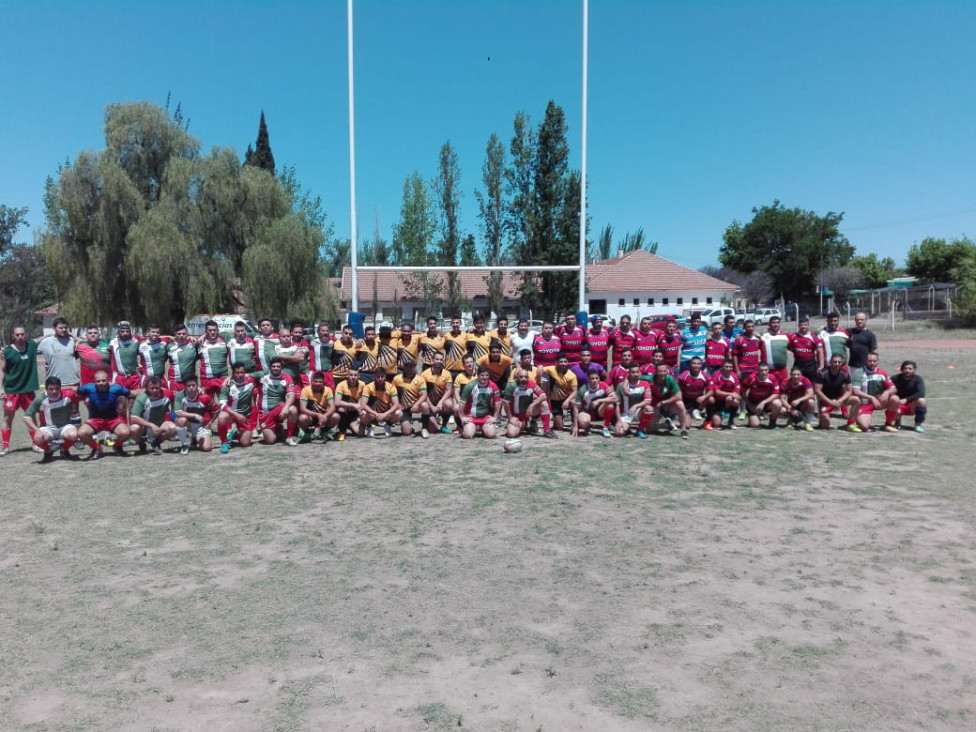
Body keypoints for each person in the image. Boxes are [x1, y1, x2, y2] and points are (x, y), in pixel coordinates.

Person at [23, 376, 83, 462]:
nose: (54, 391)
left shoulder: (68, 395)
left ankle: (64, 450)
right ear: (46, 389)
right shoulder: (40, 399)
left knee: (74, 435)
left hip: (65, 426)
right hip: (48, 428)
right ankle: (48, 451)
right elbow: (26, 416)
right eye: (51, 389)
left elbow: (78, 403)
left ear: (60, 388)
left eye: (57, 388)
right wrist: (36, 430)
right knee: (37, 439)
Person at [1, 325, 40, 456]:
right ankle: (5, 447)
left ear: (26, 335)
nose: (20, 337)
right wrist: (0, 388)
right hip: (12, 390)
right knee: (7, 419)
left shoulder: (31, 346)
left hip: (28, 390)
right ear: (13, 336)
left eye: (22, 334)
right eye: (17, 334)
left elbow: (44, 338)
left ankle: (36, 444)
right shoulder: (6, 351)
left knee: (31, 418)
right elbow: (2, 370)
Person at [76, 369, 132, 459]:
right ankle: (96, 448)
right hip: (95, 420)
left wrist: (147, 391)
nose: (101, 383)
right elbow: (76, 391)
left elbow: (131, 393)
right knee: (81, 433)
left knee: (126, 432)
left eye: (103, 380)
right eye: (98, 381)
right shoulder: (88, 388)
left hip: (112, 420)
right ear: (94, 381)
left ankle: (117, 446)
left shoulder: (116, 388)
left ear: (108, 380)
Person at [635, 363, 688, 439]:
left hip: (667, 405)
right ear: (655, 372)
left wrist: (663, 402)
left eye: (664, 371)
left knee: (680, 404)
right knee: (649, 430)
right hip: (655, 406)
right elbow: (632, 377)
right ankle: (666, 424)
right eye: (660, 371)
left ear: (667, 371)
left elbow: (679, 396)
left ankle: (683, 430)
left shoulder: (670, 379)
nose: (662, 373)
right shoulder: (650, 378)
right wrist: (625, 385)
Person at [255, 357, 299, 445]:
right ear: (270, 367)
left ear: (281, 367)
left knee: (293, 409)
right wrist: (229, 378)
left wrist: (286, 407)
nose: (276, 368)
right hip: (265, 413)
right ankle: (278, 428)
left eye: (278, 366)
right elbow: (244, 376)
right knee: (270, 441)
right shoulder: (262, 376)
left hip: (279, 410)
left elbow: (291, 394)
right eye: (274, 366)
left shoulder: (287, 378)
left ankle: (289, 437)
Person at [128, 376, 178, 454]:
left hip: (161, 424)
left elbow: (175, 397)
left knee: (173, 427)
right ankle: (141, 444)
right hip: (145, 427)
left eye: (157, 388)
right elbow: (134, 417)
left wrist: (173, 411)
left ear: (161, 387)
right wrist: (151, 425)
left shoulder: (167, 394)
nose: (154, 390)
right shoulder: (142, 398)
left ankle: (156, 443)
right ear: (147, 388)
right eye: (152, 388)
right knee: (133, 429)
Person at [216, 362, 258, 453]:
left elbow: (266, 372)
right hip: (232, 414)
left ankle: (234, 434)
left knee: (245, 443)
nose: (240, 375)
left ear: (245, 372)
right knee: (222, 417)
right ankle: (224, 443)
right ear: (233, 373)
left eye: (242, 372)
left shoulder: (251, 380)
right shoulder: (227, 385)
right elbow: (222, 404)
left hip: (245, 416)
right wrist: (236, 415)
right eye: (237, 373)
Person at [812, 354, 861, 431]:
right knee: (825, 425)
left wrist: (840, 401)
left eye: (839, 362)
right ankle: (822, 418)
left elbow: (849, 390)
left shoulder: (845, 373)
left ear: (842, 363)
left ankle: (851, 424)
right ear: (830, 362)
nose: (837, 364)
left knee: (856, 400)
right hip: (825, 401)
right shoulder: (822, 373)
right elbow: (817, 391)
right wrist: (830, 402)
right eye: (835, 362)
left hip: (839, 399)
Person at [503, 367, 555, 438]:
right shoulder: (512, 386)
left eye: (526, 377)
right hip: (516, 415)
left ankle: (546, 430)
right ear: (517, 377)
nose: (524, 379)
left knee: (544, 404)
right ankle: (523, 424)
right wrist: (510, 418)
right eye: (521, 377)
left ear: (528, 377)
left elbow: (543, 396)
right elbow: (505, 403)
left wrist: (531, 406)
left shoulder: (531, 383)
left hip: (528, 412)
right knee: (511, 434)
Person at [851, 352, 896, 432]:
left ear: (877, 361)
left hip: (879, 401)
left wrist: (887, 392)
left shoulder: (882, 373)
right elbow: (855, 391)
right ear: (865, 361)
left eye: (874, 361)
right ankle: (857, 418)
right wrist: (871, 398)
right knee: (864, 427)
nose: (872, 363)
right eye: (870, 361)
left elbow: (894, 388)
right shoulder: (859, 373)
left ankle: (888, 424)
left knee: (895, 399)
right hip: (865, 404)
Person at [173, 375, 216, 454]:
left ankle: (195, 438)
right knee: (182, 420)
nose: (191, 387)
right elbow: (177, 412)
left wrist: (209, 423)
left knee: (207, 448)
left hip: (199, 427)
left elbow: (217, 410)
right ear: (185, 387)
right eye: (188, 386)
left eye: (193, 385)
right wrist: (195, 416)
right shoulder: (180, 395)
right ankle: (184, 446)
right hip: (187, 424)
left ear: (197, 385)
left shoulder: (204, 397)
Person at [37, 316, 80, 390]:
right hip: (54, 383)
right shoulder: (46, 342)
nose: (63, 330)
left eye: (65, 327)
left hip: (73, 382)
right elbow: (29, 350)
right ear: (54, 328)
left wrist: (77, 340)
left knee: (73, 402)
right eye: (60, 328)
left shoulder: (72, 341)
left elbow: (88, 344)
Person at [459, 366, 501, 439]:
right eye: (482, 375)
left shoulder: (493, 386)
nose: (484, 377)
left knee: (491, 435)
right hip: (471, 416)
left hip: (485, 417)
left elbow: (498, 403)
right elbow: (462, 403)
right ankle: (468, 428)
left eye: (486, 375)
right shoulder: (470, 386)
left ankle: (482, 427)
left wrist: (495, 417)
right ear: (478, 375)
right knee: (468, 435)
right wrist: (462, 417)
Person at [109, 321, 143, 413]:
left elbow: (153, 337)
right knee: (121, 407)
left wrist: (171, 338)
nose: (125, 333)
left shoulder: (136, 340)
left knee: (133, 408)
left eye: (127, 331)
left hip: (134, 377)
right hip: (120, 378)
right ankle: (122, 426)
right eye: (122, 331)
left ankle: (133, 426)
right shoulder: (112, 342)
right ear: (118, 332)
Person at [886, 360, 928, 433]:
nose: (907, 370)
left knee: (922, 401)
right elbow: (887, 390)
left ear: (914, 370)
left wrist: (906, 400)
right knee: (893, 401)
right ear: (901, 369)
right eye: (905, 368)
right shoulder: (895, 378)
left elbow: (921, 393)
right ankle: (897, 422)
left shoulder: (918, 379)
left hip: (912, 406)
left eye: (910, 369)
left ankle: (918, 425)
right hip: (898, 405)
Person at [573, 370, 617, 438]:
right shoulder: (583, 389)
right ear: (588, 379)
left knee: (610, 405)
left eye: (596, 378)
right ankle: (586, 426)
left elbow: (615, 398)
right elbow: (576, 408)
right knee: (583, 423)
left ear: (599, 378)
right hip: (587, 411)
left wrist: (599, 400)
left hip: (600, 411)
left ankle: (605, 428)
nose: (595, 380)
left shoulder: (603, 385)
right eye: (592, 379)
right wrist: (575, 426)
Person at [393, 359, 430, 437]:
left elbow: (424, 395)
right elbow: (392, 394)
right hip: (404, 407)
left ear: (415, 367)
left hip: (416, 405)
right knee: (406, 432)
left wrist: (417, 404)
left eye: (411, 367)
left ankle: (424, 428)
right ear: (404, 367)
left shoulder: (420, 379)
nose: (409, 369)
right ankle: (410, 427)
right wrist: (397, 404)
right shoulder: (397, 379)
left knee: (425, 405)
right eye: (407, 367)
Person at [360, 367, 401, 437]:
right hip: (372, 414)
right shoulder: (368, 387)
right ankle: (369, 427)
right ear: (374, 377)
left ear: (385, 376)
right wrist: (375, 413)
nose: (380, 379)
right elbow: (363, 404)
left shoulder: (391, 387)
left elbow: (396, 404)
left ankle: (388, 426)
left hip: (386, 414)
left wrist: (385, 414)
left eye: (382, 376)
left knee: (399, 413)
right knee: (362, 413)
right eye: (378, 377)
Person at [297, 370, 338, 441]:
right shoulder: (305, 390)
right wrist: (317, 415)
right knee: (302, 418)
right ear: (312, 381)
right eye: (316, 381)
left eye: (320, 382)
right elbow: (302, 409)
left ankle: (324, 431)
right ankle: (308, 434)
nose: (318, 384)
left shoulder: (328, 390)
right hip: (311, 417)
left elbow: (332, 407)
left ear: (323, 382)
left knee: (336, 416)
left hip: (323, 417)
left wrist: (325, 416)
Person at [543, 354, 578, 433]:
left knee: (574, 402)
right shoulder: (552, 369)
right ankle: (557, 419)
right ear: (556, 363)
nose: (563, 364)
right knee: (559, 427)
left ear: (567, 363)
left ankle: (574, 423)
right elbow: (540, 369)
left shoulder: (571, 375)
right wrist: (539, 369)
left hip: (566, 398)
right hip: (555, 400)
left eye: (565, 362)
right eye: (561, 362)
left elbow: (575, 391)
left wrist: (567, 400)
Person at [421, 352, 455, 434]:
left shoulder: (447, 374)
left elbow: (449, 390)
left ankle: (444, 425)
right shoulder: (424, 374)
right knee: (433, 430)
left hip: (440, 402)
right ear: (432, 360)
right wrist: (431, 406)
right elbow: (423, 393)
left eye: (441, 360)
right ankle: (427, 423)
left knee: (449, 404)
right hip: (429, 402)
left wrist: (441, 402)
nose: (439, 361)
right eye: (437, 359)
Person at [742, 362, 783, 429]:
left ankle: (772, 423)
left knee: (778, 403)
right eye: (761, 370)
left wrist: (763, 402)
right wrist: (749, 405)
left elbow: (776, 394)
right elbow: (742, 392)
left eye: (766, 370)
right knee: (754, 425)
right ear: (757, 370)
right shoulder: (751, 378)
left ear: (768, 370)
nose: (764, 372)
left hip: (766, 404)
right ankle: (756, 416)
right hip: (753, 403)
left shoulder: (772, 378)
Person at [616, 363, 653, 436]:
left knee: (649, 409)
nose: (635, 374)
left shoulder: (645, 384)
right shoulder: (621, 386)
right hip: (626, 414)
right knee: (619, 433)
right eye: (633, 372)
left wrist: (636, 406)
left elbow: (648, 400)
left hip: (639, 412)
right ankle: (627, 428)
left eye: (637, 372)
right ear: (628, 373)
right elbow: (617, 405)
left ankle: (640, 429)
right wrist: (619, 420)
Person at [197, 320, 230, 396]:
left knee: (223, 403)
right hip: (206, 379)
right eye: (210, 330)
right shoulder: (200, 343)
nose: (212, 332)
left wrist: (204, 335)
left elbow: (238, 333)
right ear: (206, 331)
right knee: (208, 404)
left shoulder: (224, 340)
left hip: (222, 378)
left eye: (214, 330)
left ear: (218, 330)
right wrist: (203, 336)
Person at [676, 356, 711, 427]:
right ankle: (682, 414)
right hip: (686, 401)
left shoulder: (706, 376)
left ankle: (707, 419)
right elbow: (677, 391)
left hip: (698, 401)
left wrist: (704, 397)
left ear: (701, 365)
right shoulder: (683, 376)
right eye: (694, 363)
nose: (696, 366)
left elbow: (711, 390)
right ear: (690, 365)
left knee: (711, 399)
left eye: (698, 364)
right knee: (687, 426)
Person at [707, 359, 742, 430]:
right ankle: (710, 418)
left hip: (727, 401)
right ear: (722, 367)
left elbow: (737, 394)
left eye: (730, 367)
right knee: (717, 424)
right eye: (726, 366)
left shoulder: (735, 377)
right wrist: (731, 394)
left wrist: (731, 396)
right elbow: (717, 392)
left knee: (735, 401)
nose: (729, 368)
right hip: (716, 401)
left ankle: (731, 421)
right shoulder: (716, 375)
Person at [333, 366, 366, 439]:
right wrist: (354, 405)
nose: (353, 377)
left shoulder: (362, 384)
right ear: (347, 375)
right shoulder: (341, 385)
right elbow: (337, 402)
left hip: (354, 413)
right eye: (351, 375)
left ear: (359, 376)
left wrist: (360, 413)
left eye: (355, 375)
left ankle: (354, 425)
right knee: (341, 408)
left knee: (360, 433)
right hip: (344, 413)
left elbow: (363, 399)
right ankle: (342, 431)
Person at [781, 366, 817, 431]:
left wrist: (799, 400)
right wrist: (790, 408)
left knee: (811, 402)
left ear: (801, 375)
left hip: (802, 403)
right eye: (794, 374)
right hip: (791, 404)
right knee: (782, 410)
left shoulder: (805, 380)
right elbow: (782, 398)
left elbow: (811, 394)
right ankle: (790, 420)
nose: (796, 376)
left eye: (798, 374)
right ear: (790, 374)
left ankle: (808, 423)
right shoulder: (785, 382)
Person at [166, 324, 199, 390]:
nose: (181, 336)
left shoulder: (193, 344)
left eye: (184, 334)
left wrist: (202, 336)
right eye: (179, 334)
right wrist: (169, 336)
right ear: (175, 334)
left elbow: (207, 337)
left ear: (187, 334)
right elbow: (154, 337)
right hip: (174, 381)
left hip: (188, 381)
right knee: (174, 400)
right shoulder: (169, 346)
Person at [760, 316, 791, 384]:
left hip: (782, 370)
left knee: (783, 391)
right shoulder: (762, 336)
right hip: (768, 370)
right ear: (769, 324)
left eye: (777, 322)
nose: (776, 324)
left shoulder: (786, 336)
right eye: (773, 323)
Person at [308, 322, 335, 388]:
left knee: (330, 394)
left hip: (328, 374)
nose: (325, 333)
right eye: (323, 331)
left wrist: (358, 340)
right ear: (318, 332)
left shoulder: (333, 342)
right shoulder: (313, 342)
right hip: (316, 374)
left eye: (327, 331)